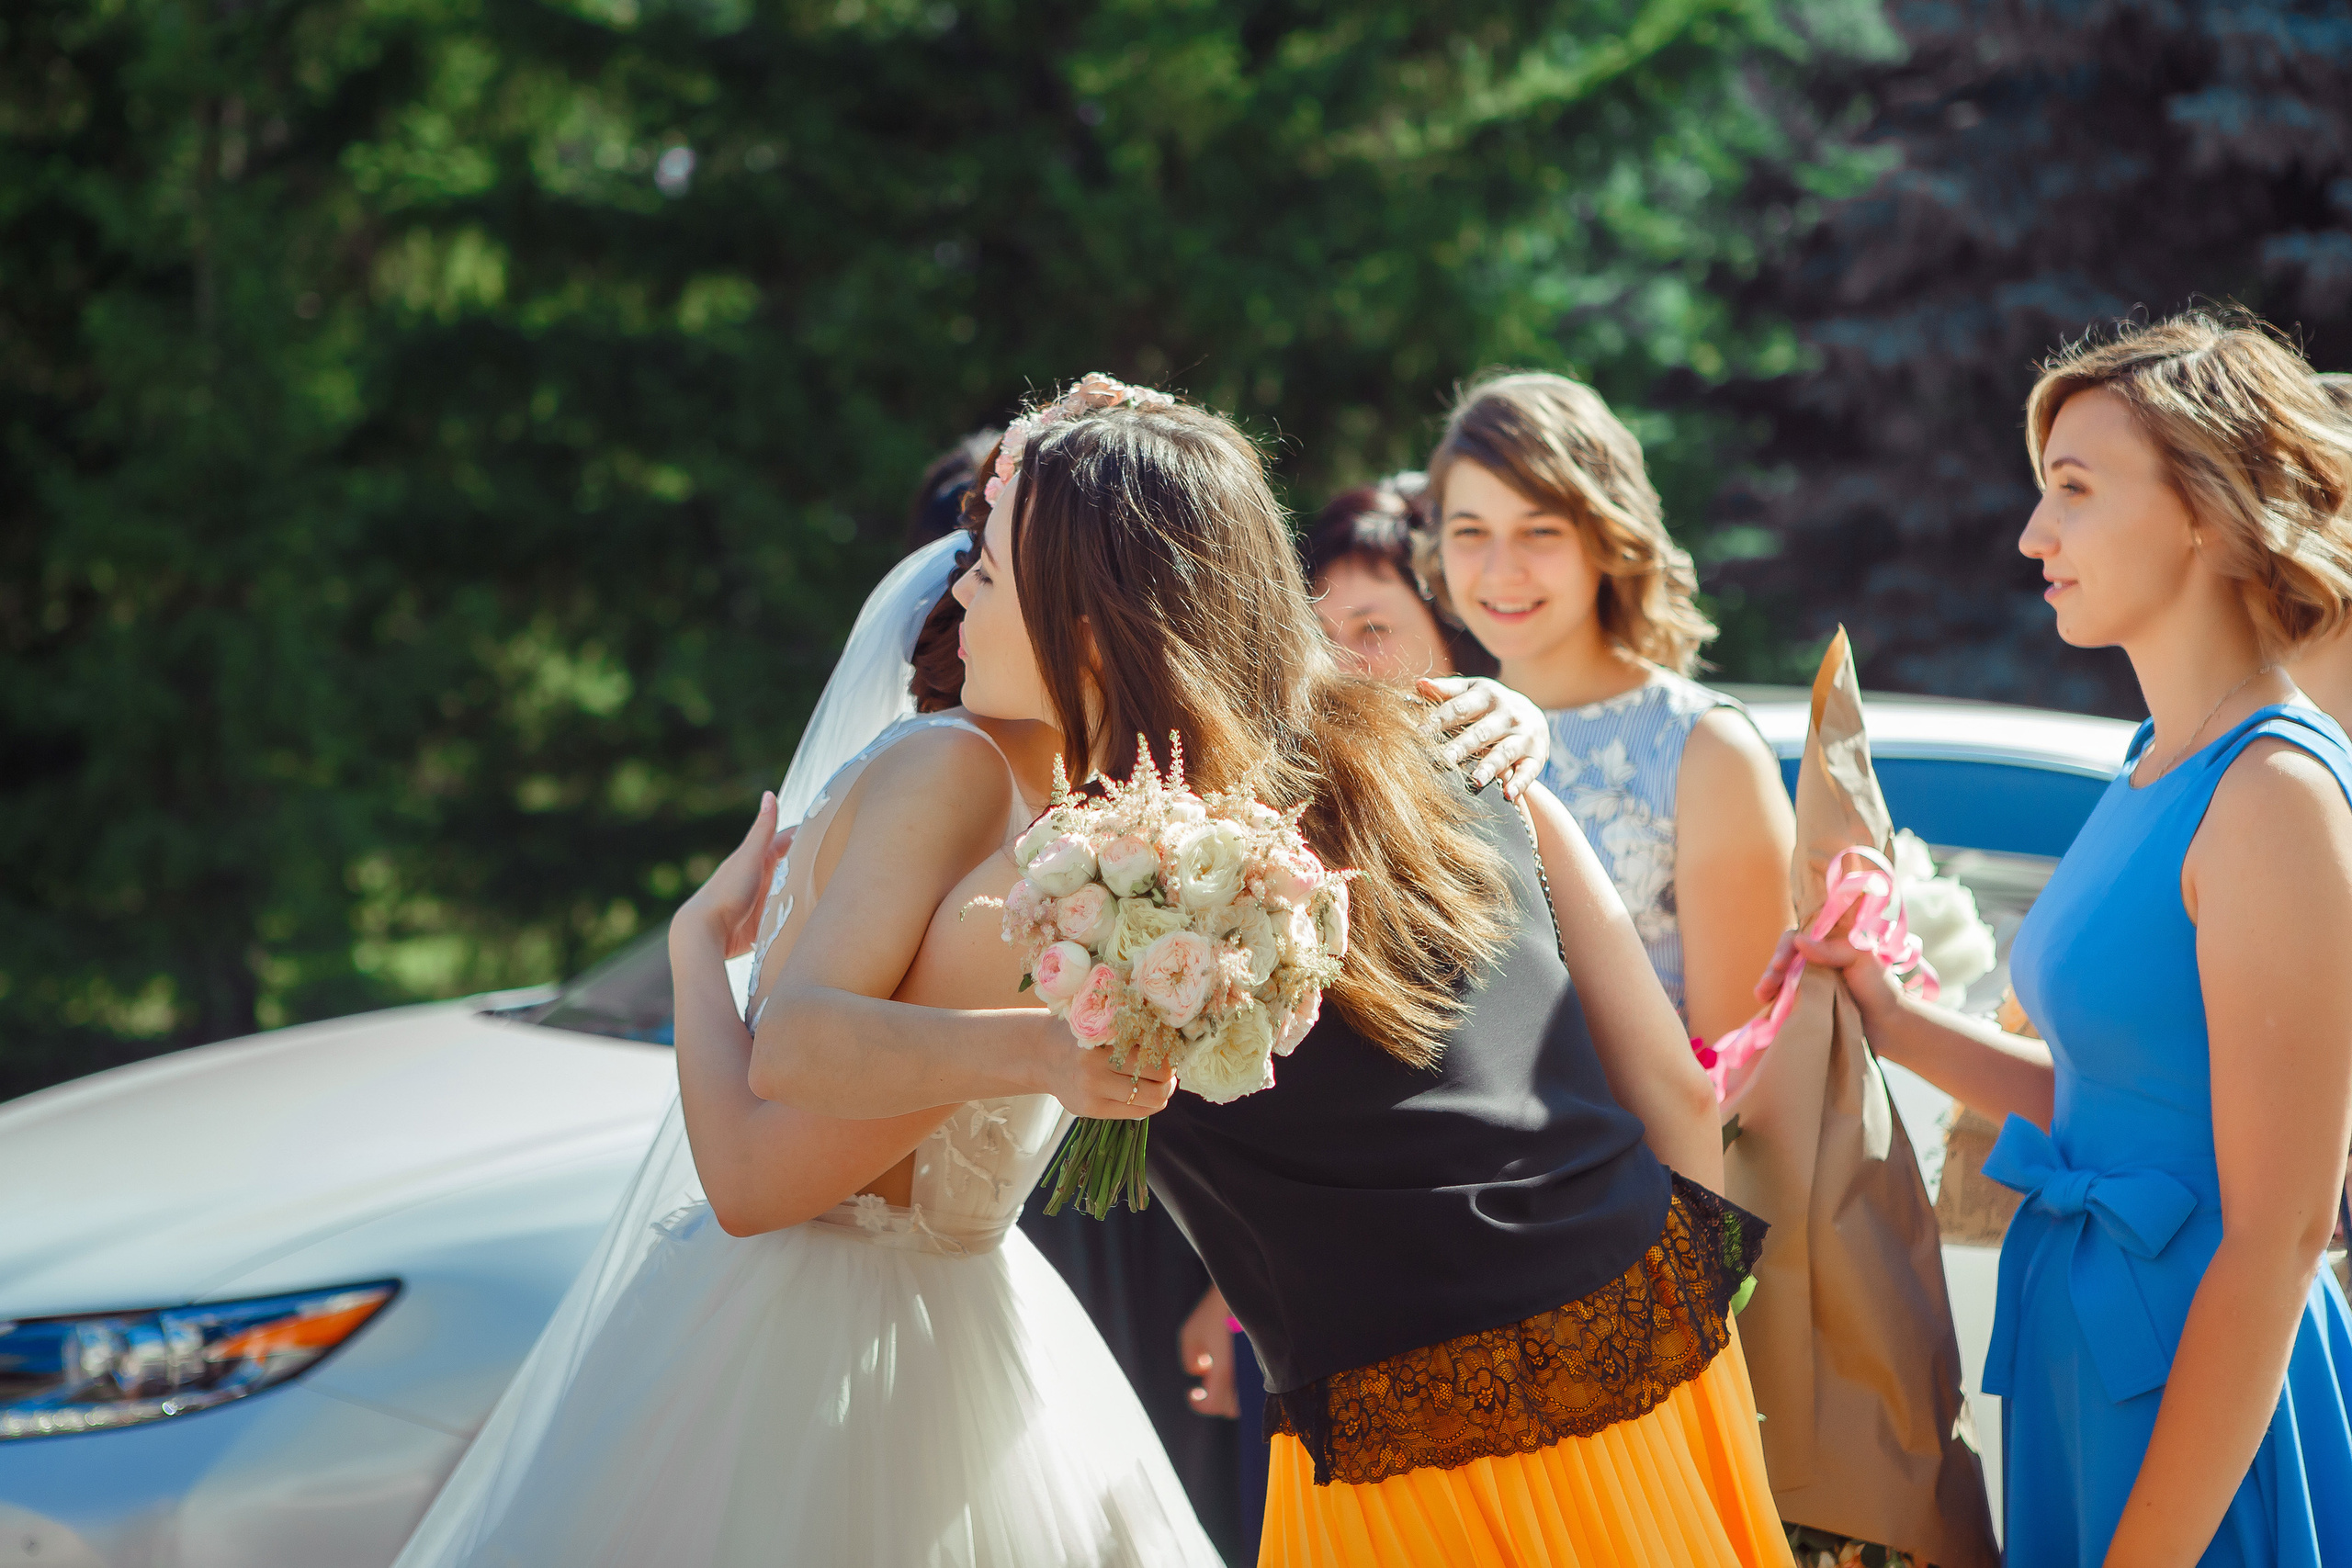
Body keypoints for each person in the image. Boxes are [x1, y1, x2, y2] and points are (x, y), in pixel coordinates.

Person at [752, 375, 1793, 1566]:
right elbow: (1677, 1089)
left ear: (1085, 625)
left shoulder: (1109, 870)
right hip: (1654, 1373)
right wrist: (1688, 1370)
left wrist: (1031, 1046)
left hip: (1417, 1471)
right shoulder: (1459, 747)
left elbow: (792, 1049)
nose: (960, 600)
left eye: (984, 570)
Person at [393, 528, 1227, 1567]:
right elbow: (751, 1177)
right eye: (973, 566)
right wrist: (695, 950)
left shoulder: (1065, 821)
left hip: (909, 1315)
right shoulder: (969, 788)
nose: (964, 589)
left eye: (993, 568)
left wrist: (701, 944)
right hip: (835, 1345)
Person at [1763, 313, 2352, 1565]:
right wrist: (1897, 1014)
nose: (2035, 534)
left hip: (2203, 1396)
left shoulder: (2275, 793)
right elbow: (2124, 1108)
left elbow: (2281, 1230)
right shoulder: (2158, 759)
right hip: (2084, 1351)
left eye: (2073, 494)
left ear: (2207, 508)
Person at [1414, 372, 1796, 1049]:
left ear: (1605, 537)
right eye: (1471, 530)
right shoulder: (1427, 733)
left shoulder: (1708, 750)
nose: (1501, 568)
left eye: (1539, 531)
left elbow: (1747, 1081)